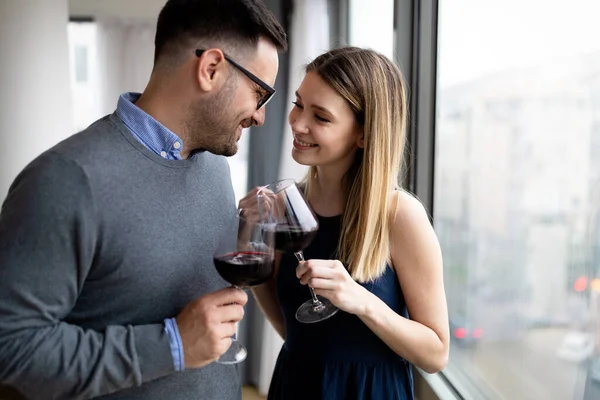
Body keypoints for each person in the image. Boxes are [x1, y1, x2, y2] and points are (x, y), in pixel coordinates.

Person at [0, 1, 287, 399]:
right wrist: (171, 345)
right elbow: (13, 350)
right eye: (260, 93)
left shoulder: (213, 165)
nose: (260, 116)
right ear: (211, 69)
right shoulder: (65, 180)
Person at [241, 47, 449, 399]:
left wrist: (360, 300)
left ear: (364, 135)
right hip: (296, 385)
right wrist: (251, 244)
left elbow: (436, 353)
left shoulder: (400, 216)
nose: (297, 123)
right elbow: (291, 327)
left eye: (320, 117)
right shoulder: (291, 205)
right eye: (298, 104)